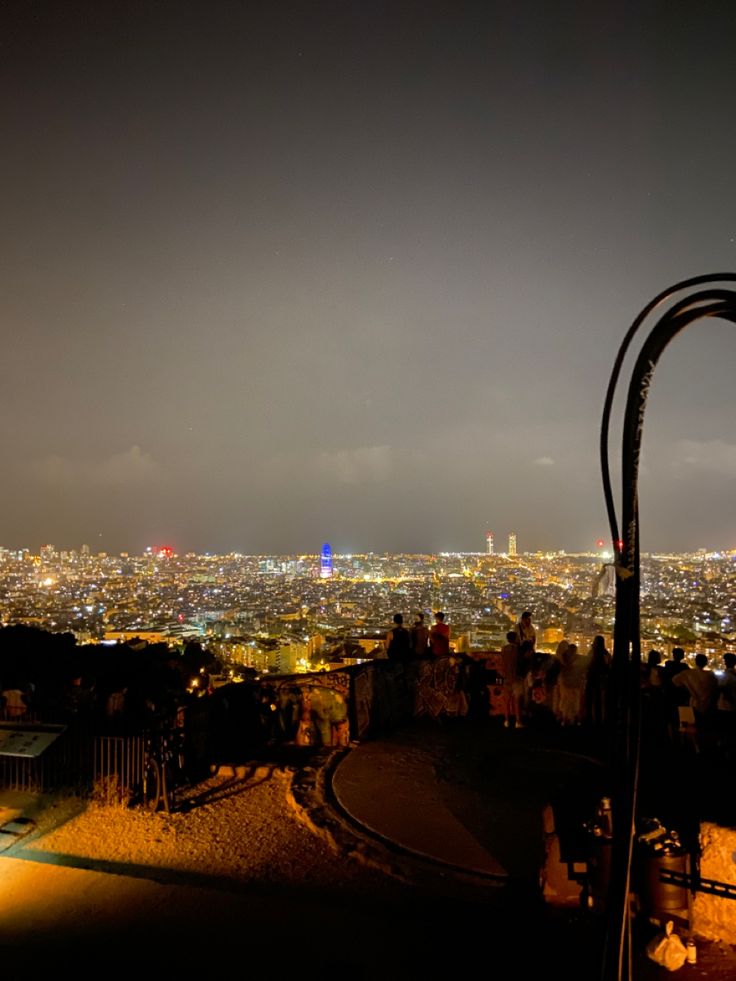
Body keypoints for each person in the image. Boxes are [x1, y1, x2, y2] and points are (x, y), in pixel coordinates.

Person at [672, 652, 719, 753]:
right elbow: (715, 688)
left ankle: (691, 747)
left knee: (689, 726)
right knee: (703, 727)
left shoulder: (687, 674)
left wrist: (686, 687)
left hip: (693, 704)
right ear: (706, 663)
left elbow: (675, 681)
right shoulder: (711, 676)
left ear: (695, 661)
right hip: (707, 705)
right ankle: (702, 748)